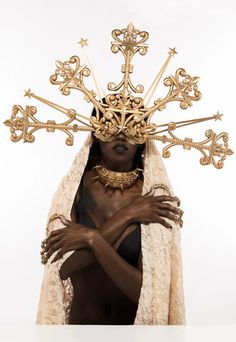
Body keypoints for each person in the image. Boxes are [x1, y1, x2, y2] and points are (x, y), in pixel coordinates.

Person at [37, 112, 185, 324]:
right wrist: (128, 216)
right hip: (80, 331)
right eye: (111, 125)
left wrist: (91, 239)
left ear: (143, 137)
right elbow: (62, 269)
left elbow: (146, 294)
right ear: (96, 133)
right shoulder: (72, 191)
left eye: (132, 126)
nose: (122, 135)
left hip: (133, 333)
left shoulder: (153, 199)